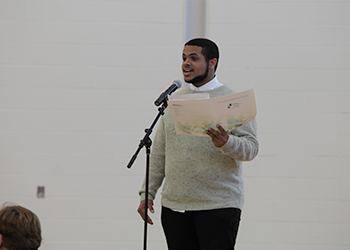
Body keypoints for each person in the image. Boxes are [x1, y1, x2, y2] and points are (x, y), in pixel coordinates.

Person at [137, 38, 259, 250]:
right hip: (175, 206)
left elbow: (251, 148)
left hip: (219, 205)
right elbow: (159, 152)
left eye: (194, 58)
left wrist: (227, 142)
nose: (186, 63)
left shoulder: (233, 99)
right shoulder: (174, 100)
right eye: (184, 58)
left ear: (212, 63)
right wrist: (147, 193)